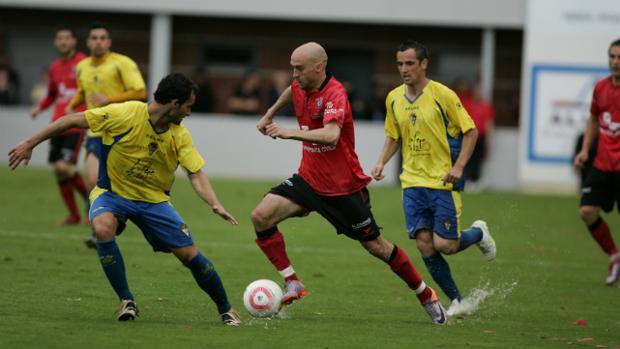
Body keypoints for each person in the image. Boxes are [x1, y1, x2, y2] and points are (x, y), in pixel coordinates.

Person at [9, 73, 242, 326]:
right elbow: (71, 120)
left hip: (154, 202)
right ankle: (126, 300)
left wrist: (214, 203)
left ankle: (226, 309)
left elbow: (195, 174)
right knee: (102, 228)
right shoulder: (127, 113)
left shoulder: (180, 135)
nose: (189, 112)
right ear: (174, 103)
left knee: (189, 255)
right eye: (188, 106)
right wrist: (31, 142)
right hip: (112, 195)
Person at [252, 42, 448, 325]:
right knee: (261, 216)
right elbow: (290, 91)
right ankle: (292, 282)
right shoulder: (300, 85)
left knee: (377, 247)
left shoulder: (335, 94)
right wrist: (269, 113)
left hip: (343, 189)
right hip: (308, 179)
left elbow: (331, 135)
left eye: (299, 68)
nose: (294, 75)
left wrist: (287, 132)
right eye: (292, 68)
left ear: (319, 67)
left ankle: (425, 293)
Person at [371, 40, 497, 317]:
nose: (404, 69)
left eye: (409, 64)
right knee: (424, 244)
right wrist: (381, 161)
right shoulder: (394, 98)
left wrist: (460, 166)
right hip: (413, 183)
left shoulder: (443, 94)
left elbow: (471, 131)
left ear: (424, 64)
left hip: (443, 181)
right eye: (400, 64)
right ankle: (457, 300)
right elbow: (394, 135)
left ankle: (478, 233)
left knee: (446, 245)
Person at [67, 22, 146, 245]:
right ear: (88, 42)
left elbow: (140, 92)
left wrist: (109, 100)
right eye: (94, 38)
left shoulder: (122, 63)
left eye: (103, 38)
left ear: (109, 42)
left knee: (117, 184)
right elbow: (84, 92)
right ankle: (97, 230)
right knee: (93, 179)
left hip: (121, 131)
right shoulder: (82, 66)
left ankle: (115, 220)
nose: (98, 41)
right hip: (95, 131)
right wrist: (72, 105)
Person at [30, 27, 89, 225]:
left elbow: (90, 90)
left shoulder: (83, 62)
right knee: (58, 169)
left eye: (67, 38)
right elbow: (52, 94)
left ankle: (92, 204)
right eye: (59, 38)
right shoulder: (54, 66)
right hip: (57, 124)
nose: (63, 41)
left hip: (75, 123)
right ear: (56, 42)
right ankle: (74, 216)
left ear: (74, 41)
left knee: (65, 167)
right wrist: (40, 108)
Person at [574, 38, 620, 286]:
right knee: (587, 211)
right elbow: (593, 119)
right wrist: (584, 150)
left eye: (619, 58)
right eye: (612, 56)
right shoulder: (601, 88)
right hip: (602, 164)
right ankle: (615, 255)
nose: (615, 62)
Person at [454, 78, 495, 188]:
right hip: (469, 135)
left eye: (480, 91)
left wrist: (489, 140)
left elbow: (488, 123)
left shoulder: (486, 106)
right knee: (467, 157)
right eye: (477, 91)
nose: (478, 93)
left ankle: (476, 180)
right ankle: (466, 179)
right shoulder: (467, 103)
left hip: (481, 136)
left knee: (478, 159)